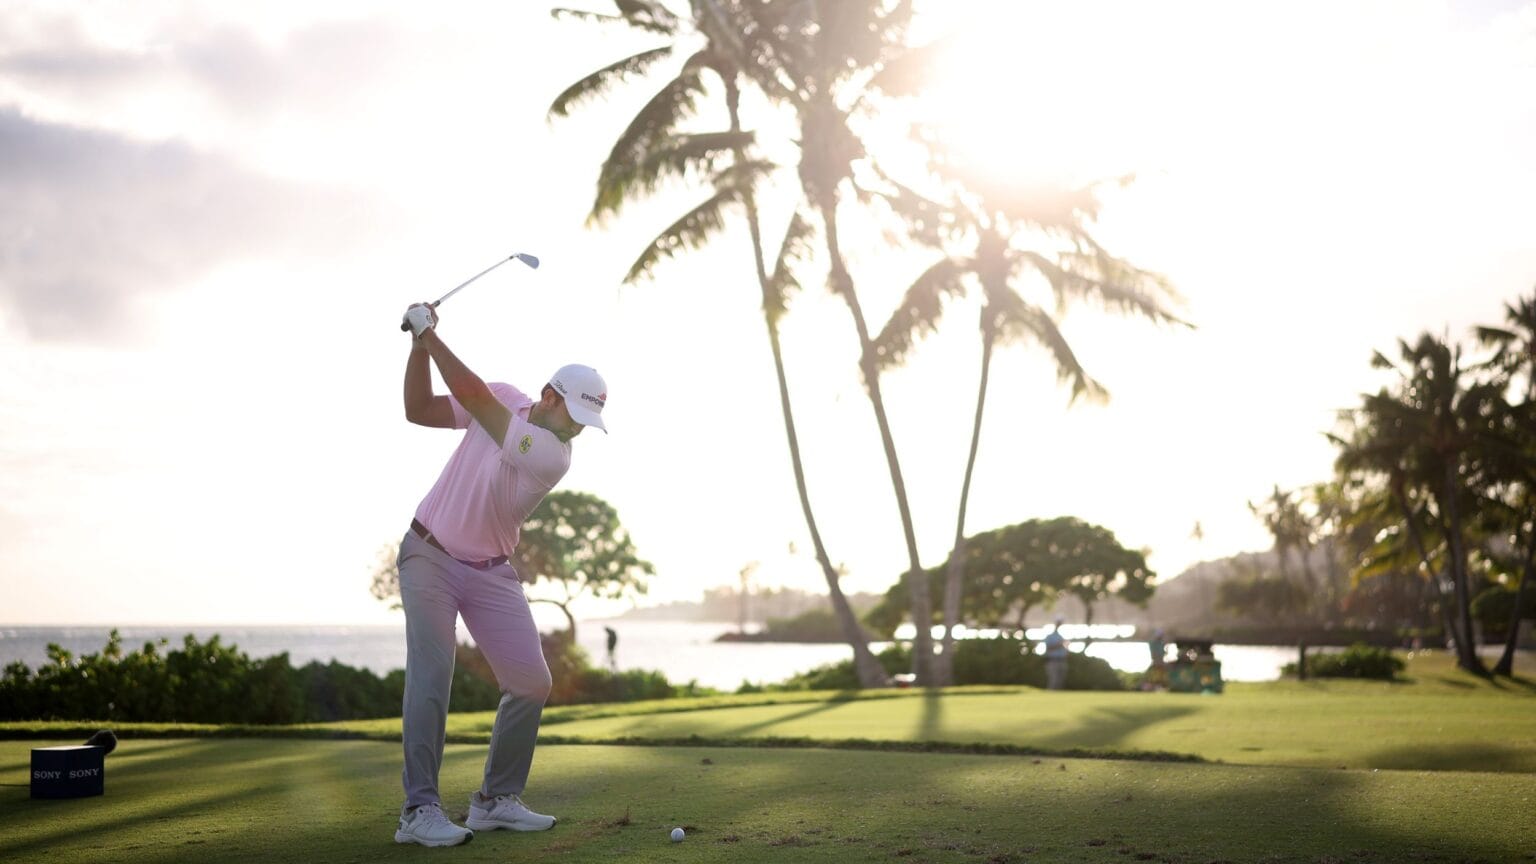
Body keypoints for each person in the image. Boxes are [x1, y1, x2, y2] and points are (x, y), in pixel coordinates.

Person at [392, 302, 608, 847]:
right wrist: (419, 347)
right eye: (573, 416)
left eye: (586, 424)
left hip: (490, 571)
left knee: (532, 682)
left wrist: (430, 334)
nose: (576, 430)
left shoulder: (552, 456)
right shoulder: (507, 397)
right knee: (432, 675)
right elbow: (419, 409)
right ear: (550, 395)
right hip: (429, 554)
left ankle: (493, 801)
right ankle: (418, 811)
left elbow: (473, 396)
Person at [1043, 616, 1069, 690]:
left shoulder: (1061, 636)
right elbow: (1048, 648)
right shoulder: (1050, 636)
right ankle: (1050, 694)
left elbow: (1065, 647)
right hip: (1053, 661)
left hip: (1062, 660)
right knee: (1053, 679)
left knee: (1060, 680)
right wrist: (1059, 644)